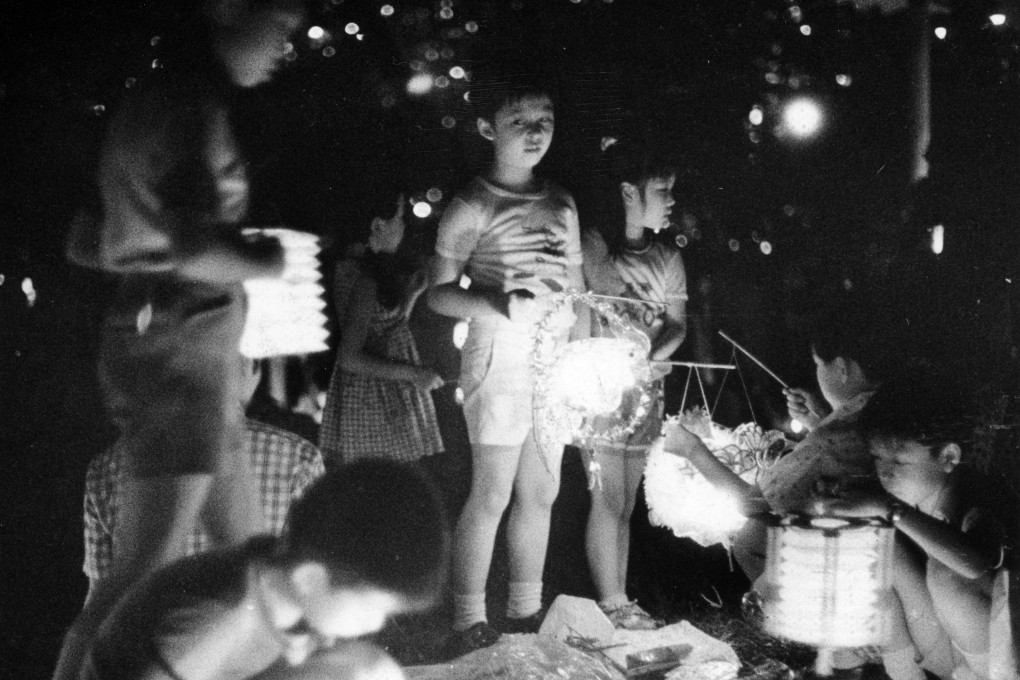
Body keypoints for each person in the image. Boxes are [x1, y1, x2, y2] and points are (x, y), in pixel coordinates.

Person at [57, 1, 307, 677]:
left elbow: (86, 240)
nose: (288, 42)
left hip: (181, 350)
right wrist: (269, 262)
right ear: (227, 9)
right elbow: (196, 249)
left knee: (256, 554)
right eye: (279, 24)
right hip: (180, 354)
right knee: (143, 567)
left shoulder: (146, 103)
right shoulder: (190, 108)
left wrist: (143, 258)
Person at [426, 66, 584, 654]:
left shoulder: (562, 202)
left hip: (554, 359)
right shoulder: (472, 203)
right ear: (488, 128)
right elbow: (439, 292)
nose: (535, 132)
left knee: (540, 491)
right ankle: (467, 614)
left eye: (545, 120)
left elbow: (575, 287)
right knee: (491, 490)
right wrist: (496, 303)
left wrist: (582, 348)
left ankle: (525, 610)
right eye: (519, 121)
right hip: (499, 354)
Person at [79, 459, 450, 680]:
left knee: (372, 670)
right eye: (374, 609)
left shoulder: (281, 572)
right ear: (310, 578)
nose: (376, 625)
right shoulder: (223, 621)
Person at [817, 371, 1016, 680]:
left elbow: (975, 561)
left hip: (997, 661)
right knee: (878, 548)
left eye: (897, 462)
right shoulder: (922, 486)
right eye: (877, 459)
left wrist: (889, 510)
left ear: (948, 455)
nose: (885, 473)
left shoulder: (973, 495)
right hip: (951, 648)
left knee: (945, 575)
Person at [83, 358, 326, 595]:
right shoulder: (299, 459)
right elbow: (311, 587)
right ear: (252, 373)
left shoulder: (106, 468)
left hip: (149, 632)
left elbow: (100, 597)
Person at [579, 135, 687, 630]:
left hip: (646, 389)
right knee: (608, 497)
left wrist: (651, 356)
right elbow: (589, 309)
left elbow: (677, 323)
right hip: (599, 388)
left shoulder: (667, 258)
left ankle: (619, 602)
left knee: (626, 502)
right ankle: (611, 601)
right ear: (629, 193)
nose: (670, 200)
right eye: (662, 189)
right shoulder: (594, 248)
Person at [319, 185, 444, 467]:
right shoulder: (364, 279)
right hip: (377, 402)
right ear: (377, 225)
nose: (402, 228)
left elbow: (383, 333)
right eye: (399, 219)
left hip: (378, 395)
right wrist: (414, 374)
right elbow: (350, 357)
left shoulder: (357, 269)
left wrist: (410, 297)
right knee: (388, 480)